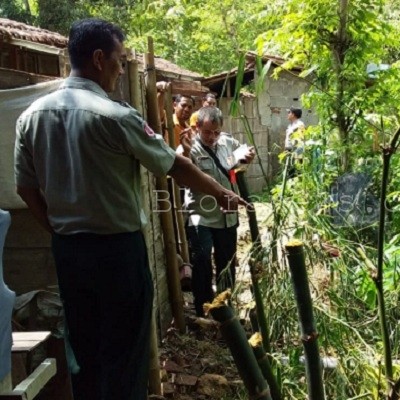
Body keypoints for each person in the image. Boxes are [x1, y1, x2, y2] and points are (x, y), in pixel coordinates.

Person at [13, 19, 245, 400]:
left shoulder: (31, 117)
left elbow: (25, 188)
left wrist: (58, 231)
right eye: (120, 61)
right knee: (126, 352)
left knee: (83, 350)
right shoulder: (116, 116)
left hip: (70, 252)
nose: (122, 70)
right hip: (117, 252)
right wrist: (222, 193)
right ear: (99, 59)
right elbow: (176, 165)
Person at [180, 106, 255, 315]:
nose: (212, 137)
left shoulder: (228, 142)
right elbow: (181, 170)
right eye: (206, 132)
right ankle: (203, 306)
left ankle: (224, 305)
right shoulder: (188, 147)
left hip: (227, 215)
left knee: (226, 261)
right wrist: (185, 151)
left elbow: (242, 157)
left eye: (216, 132)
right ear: (197, 128)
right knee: (202, 258)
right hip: (200, 214)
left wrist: (248, 157)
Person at [284, 106, 305, 177]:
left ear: (293, 114)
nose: (288, 114)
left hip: (296, 151)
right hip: (289, 151)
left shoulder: (300, 124)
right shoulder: (290, 125)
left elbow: (301, 138)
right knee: (290, 171)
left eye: (289, 112)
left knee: (296, 170)